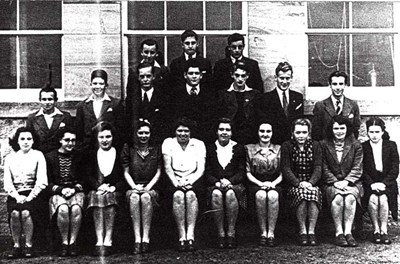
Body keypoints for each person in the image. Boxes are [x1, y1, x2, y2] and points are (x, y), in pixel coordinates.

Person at [162, 117, 206, 252]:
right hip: (174, 180)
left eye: (186, 131)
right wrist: (176, 183)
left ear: (191, 132)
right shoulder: (168, 143)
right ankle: (182, 236)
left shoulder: (198, 144)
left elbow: (201, 169)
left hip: (193, 179)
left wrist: (190, 182)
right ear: (175, 132)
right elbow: (167, 167)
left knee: (191, 195)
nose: (183, 134)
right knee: (179, 196)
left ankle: (190, 235)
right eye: (179, 131)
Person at [4, 127, 48, 259]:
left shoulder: (38, 155)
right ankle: (17, 245)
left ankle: (29, 245)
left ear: (33, 141)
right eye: (22, 139)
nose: (26, 142)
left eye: (29, 139)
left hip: (34, 192)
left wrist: (30, 196)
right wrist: (17, 196)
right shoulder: (10, 158)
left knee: (25, 213)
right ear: (17, 141)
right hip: (15, 193)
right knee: (15, 213)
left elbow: (42, 180)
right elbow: (7, 182)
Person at [320, 115, 363, 247]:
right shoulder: (323, 144)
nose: (339, 131)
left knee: (350, 197)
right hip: (331, 183)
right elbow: (323, 166)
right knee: (338, 197)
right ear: (331, 129)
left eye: (342, 128)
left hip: (352, 182)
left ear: (347, 128)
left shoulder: (356, 145)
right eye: (336, 128)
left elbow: (357, 167)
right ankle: (339, 232)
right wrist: (334, 182)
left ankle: (348, 232)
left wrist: (347, 181)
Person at [121, 120, 162, 254]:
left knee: (145, 197)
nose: (143, 136)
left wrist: (148, 187)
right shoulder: (129, 148)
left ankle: (146, 238)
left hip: (151, 187)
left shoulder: (156, 149)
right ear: (136, 134)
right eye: (140, 133)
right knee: (134, 198)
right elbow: (126, 172)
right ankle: (137, 239)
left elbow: (158, 172)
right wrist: (134, 187)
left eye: (146, 133)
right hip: (134, 186)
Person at [205, 118, 246, 249]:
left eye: (228, 129)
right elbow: (207, 172)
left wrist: (230, 181)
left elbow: (242, 171)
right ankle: (221, 233)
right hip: (215, 184)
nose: (224, 132)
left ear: (232, 132)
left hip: (234, 184)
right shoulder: (210, 148)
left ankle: (231, 232)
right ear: (217, 131)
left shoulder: (238, 148)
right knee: (216, 194)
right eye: (221, 129)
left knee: (230, 193)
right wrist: (216, 182)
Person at [45, 127, 85, 257]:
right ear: (60, 140)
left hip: (76, 190)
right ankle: (64, 242)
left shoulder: (80, 156)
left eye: (73, 140)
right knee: (62, 209)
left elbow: (85, 178)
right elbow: (47, 182)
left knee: (75, 209)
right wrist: (61, 190)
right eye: (67, 140)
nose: (70, 143)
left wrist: (74, 189)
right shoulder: (50, 157)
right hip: (58, 191)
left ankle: (72, 242)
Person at [86, 122, 124, 256]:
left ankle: (108, 239)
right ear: (97, 138)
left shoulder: (119, 153)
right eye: (101, 137)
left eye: (108, 136)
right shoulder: (91, 154)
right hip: (97, 189)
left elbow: (124, 175)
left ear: (113, 137)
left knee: (109, 198)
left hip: (115, 190)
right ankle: (99, 239)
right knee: (96, 196)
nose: (105, 140)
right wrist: (98, 186)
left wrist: (114, 187)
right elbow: (88, 175)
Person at [281, 118, 322, 246]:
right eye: (298, 132)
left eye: (304, 132)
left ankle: (311, 231)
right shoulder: (287, 146)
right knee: (302, 196)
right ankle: (302, 231)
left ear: (309, 133)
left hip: (311, 183)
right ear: (292, 133)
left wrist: (310, 183)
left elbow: (318, 167)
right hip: (294, 183)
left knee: (313, 193)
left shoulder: (315, 145)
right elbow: (286, 168)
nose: (301, 136)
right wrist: (298, 183)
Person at [362, 117, 399, 244]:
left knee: (383, 198)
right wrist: (372, 184)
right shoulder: (363, 147)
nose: (374, 135)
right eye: (371, 132)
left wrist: (384, 183)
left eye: (377, 132)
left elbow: (395, 168)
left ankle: (384, 230)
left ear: (382, 132)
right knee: (373, 198)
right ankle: (376, 230)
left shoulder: (391, 145)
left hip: (387, 182)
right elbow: (362, 169)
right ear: (367, 132)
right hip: (370, 182)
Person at [245, 120, 282, 247]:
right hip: (255, 182)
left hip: (274, 182)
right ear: (257, 132)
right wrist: (260, 183)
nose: (265, 134)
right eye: (262, 131)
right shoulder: (249, 149)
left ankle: (271, 233)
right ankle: (263, 232)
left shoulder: (279, 149)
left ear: (272, 133)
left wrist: (273, 183)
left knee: (272, 196)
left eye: (268, 131)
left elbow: (283, 172)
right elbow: (248, 172)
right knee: (261, 195)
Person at [75, 69, 125, 149]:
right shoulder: (82, 106)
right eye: (95, 83)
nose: (98, 87)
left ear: (106, 85)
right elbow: (79, 133)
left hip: (109, 149)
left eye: (101, 84)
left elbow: (120, 131)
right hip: (88, 150)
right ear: (90, 85)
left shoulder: (115, 104)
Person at [256, 61, 304, 145]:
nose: (285, 82)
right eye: (282, 78)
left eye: (287, 78)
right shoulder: (265, 98)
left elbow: (299, 121)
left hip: (293, 143)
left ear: (291, 78)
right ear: (276, 78)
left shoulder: (298, 97)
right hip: (274, 143)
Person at [125, 62, 171, 144]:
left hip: (158, 140)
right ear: (138, 78)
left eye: (148, 76)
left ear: (153, 76)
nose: (145, 79)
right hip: (138, 140)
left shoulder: (163, 96)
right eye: (142, 77)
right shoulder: (132, 97)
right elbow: (129, 119)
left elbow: (166, 120)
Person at [172, 58, 216, 142]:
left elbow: (211, 119)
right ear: (185, 75)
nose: (194, 76)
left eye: (197, 73)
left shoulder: (209, 94)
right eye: (191, 73)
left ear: (201, 75)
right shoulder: (175, 94)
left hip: (204, 138)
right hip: (181, 138)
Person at [217, 61, 260, 145]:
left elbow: (256, 117)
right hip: (229, 137)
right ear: (232, 75)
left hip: (249, 137)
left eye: (243, 76)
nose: (240, 79)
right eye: (237, 75)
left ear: (247, 76)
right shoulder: (223, 94)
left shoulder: (255, 94)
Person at [312, 71, 361, 141]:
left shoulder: (353, 105)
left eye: (341, 84)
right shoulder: (320, 106)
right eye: (335, 84)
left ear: (345, 85)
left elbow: (356, 128)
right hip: (326, 147)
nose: (338, 87)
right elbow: (316, 132)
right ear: (330, 85)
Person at [26, 85, 73, 154]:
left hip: (59, 156)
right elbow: (29, 139)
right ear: (40, 100)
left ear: (55, 100)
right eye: (44, 99)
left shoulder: (65, 116)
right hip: (40, 156)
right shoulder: (32, 118)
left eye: (50, 99)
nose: (47, 102)